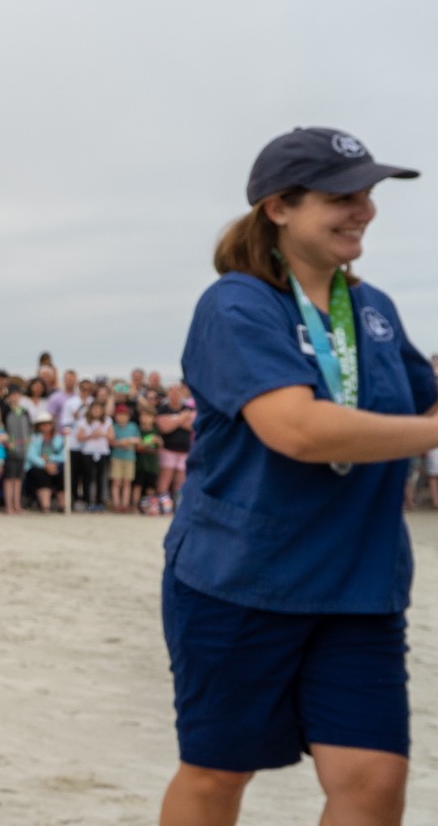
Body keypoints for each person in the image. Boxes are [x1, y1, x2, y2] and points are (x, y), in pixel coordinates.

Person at [160, 127, 437, 826]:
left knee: (373, 779)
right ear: (279, 207)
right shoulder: (237, 305)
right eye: (343, 196)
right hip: (241, 582)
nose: (364, 209)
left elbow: (422, 397)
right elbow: (298, 431)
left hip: (359, 585)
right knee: (218, 774)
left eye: (369, 194)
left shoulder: (373, 311)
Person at [155, 382, 194, 507]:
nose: (175, 395)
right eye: (172, 392)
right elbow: (164, 427)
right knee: (166, 476)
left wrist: (173, 420)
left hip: (184, 450)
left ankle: (178, 504)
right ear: (168, 394)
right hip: (168, 449)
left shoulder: (188, 408)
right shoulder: (163, 408)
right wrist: (182, 418)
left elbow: (192, 426)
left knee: (181, 479)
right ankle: (163, 502)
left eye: (177, 392)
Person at [25, 412, 65, 513]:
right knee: (41, 474)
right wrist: (45, 465)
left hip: (55, 465)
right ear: (38, 426)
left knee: (63, 473)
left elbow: (64, 456)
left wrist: (50, 460)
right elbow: (31, 455)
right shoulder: (34, 438)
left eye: (48, 424)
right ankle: (45, 505)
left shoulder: (59, 439)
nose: (46, 426)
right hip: (37, 467)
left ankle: (63, 505)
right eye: (43, 424)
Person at [110, 401, 141, 513]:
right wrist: (120, 443)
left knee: (127, 482)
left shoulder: (133, 426)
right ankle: (116, 504)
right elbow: (111, 441)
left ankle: (125, 504)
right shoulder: (113, 427)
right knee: (116, 481)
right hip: (117, 457)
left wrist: (129, 441)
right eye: (120, 415)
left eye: (124, 415)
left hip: (130, 458)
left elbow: (138, 439)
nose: (122, 417)